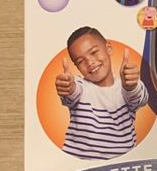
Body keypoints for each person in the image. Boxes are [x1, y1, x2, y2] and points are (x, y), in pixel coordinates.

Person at [55, 27, 148, 160]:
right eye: (80, 61)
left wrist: (131, 85)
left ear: (108, 48)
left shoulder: (125, 86)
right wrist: (68, 87)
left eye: (94, 52)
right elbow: (72, 94)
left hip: (120, 165)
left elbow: (139, 99)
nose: (90, 62)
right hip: (77, 165)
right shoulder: (79, 85)